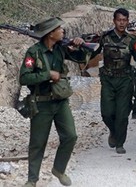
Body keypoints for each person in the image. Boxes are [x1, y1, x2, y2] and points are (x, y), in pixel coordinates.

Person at [19, 17, 91, 186]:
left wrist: (80, 46)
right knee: (37, 143)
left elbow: (81, 59)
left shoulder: (61, 49)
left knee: (70, 136)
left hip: (60, 102)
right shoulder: (33, 52)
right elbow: (24, 77)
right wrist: (47, 74)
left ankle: (59, 169)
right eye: (59, 29)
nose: (63, 31)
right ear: (50, 34)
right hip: (41, 103)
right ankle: (32, 180)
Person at [91, 8, 136, 154]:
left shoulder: (131, 41)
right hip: (108, 80)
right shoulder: (105, 38)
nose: (122, 23)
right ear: (114, 21)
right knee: (107, 113)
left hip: (125, 80)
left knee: (122, 114)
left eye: (124, 20)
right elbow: (92, 52)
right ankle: (113, 131)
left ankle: (120, 143)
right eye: (119, 20)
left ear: (128, 21)